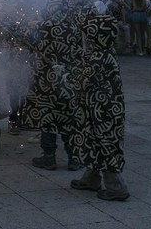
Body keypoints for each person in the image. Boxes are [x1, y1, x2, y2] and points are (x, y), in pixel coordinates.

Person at [67, 10, 129, 201]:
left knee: (105, 144)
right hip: (98, 109)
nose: (85, 39)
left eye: (88, 35)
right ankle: (91, 178)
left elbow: (80, 83)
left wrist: (62, 75)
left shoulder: (98, 58)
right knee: (93, 141)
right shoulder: (105, 52)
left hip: (103, 113)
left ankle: (116, 186)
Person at [22, 19, 83, 172]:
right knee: (68, 120)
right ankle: (73, 158)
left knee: (48, 120)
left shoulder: (42, 33)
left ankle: (49, 157)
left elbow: (24, 38)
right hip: (68, 85)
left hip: (46, 86)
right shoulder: (73, 31)